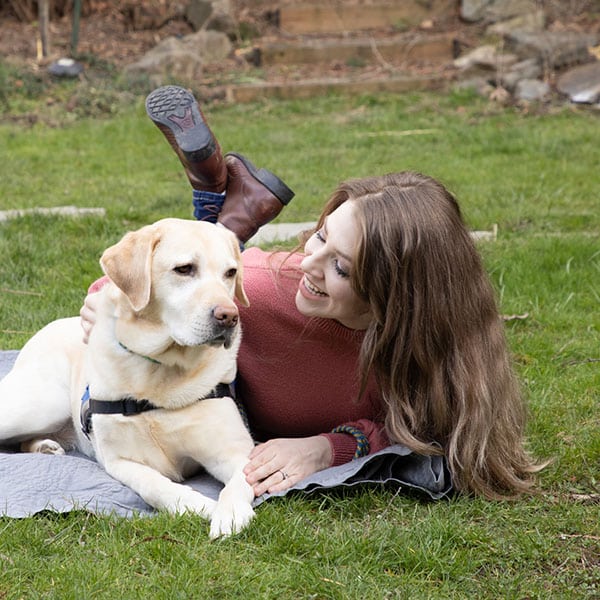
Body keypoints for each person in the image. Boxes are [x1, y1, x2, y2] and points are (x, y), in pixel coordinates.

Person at [81, 86, 544, 500]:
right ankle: (228, 217)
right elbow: (139, 284)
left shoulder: (436, 356)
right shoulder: (259, 291)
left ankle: (228, 207)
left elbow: (439, 432)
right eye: (319, 236)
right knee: (224, 263)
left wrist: (327, 449)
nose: (306, 263)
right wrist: (101, 302)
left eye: (340, 266)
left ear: (395, 297)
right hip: (215, 349)